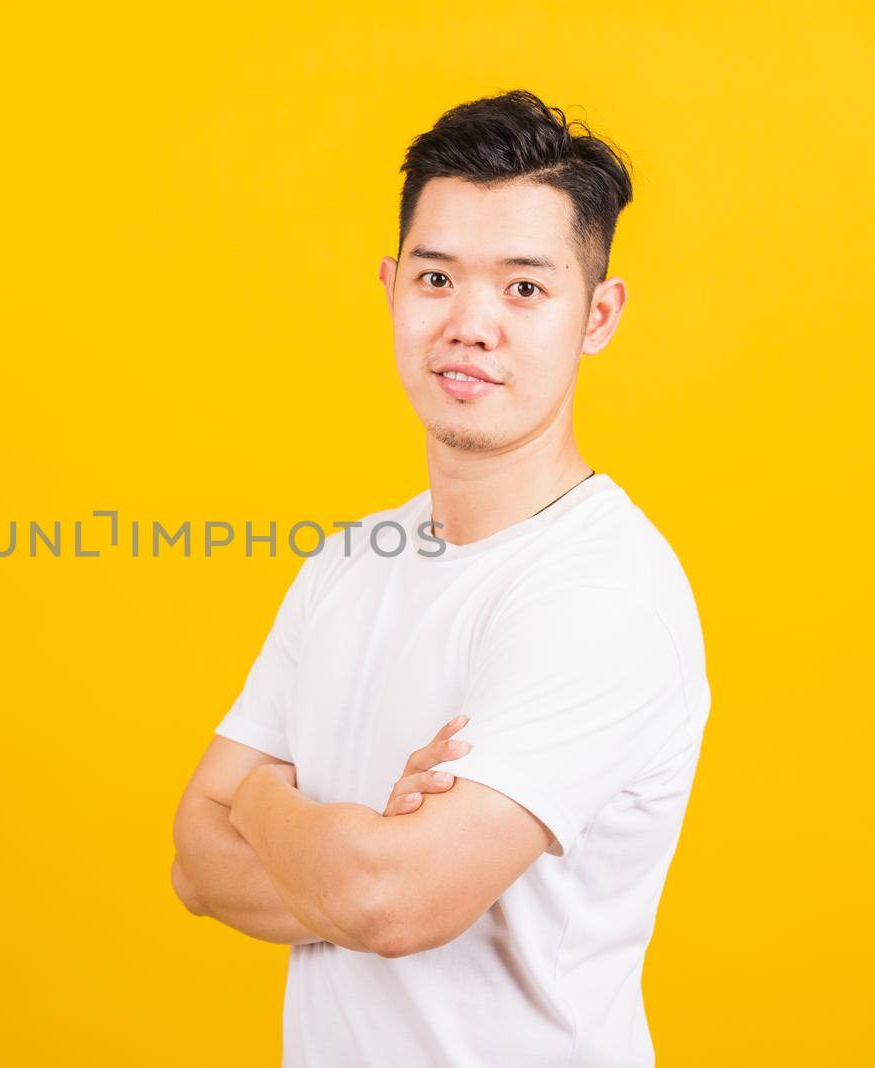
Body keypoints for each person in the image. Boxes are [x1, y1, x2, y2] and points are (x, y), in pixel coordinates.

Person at [170, 89, 712, 1067]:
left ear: (597, 315)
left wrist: (262, 805)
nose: (469, 324)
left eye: (523, 288)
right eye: (435, 277)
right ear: (389, 288)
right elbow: (194, 862)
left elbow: (388, 901)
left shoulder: (601, 591)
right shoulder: (347, 562)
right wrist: (350, 847)